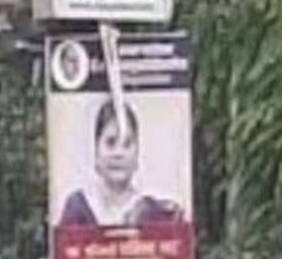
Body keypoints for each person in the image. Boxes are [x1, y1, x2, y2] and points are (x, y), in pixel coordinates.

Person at [57, 97, 186, 228]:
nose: (118, 153)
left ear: (137, 153)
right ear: (96, 151)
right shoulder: (77, 208)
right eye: (110, 142)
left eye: (127, 144)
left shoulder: (154, 213)